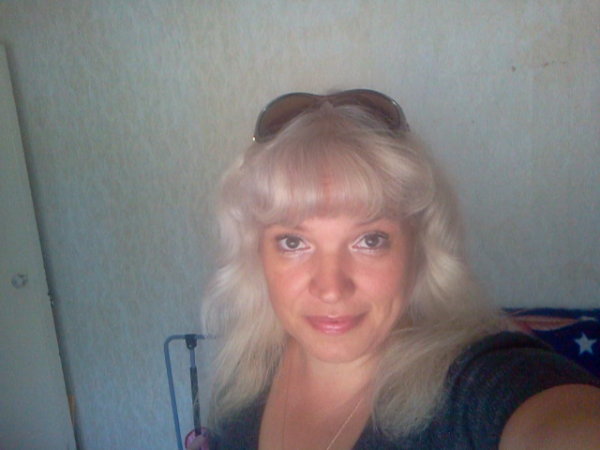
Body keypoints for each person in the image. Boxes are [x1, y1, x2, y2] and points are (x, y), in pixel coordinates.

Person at [192, 90, 600, 449]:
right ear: (257, 255)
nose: (331, 287)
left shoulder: (475, 383)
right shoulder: (247, 373)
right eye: (293, 242)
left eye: (369, 240)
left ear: (418, 249)